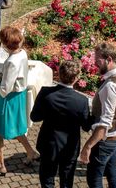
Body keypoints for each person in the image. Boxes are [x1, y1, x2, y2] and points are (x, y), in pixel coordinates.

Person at [30, 60, 90, 188]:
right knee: (67, 180)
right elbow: (86, 126)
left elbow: (34, 117)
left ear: (59, 73)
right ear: (76, 78)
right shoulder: (82, 101)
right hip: (70, 146)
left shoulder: (46, 93)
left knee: (47, 178)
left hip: (48, 143)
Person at [79, 42, 116, 188]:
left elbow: (105, 123)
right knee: (112, 171)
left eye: (98, 60)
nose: (95, 63)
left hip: (106, 141)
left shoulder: (110, 85)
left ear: (109, 59)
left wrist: (88, 146)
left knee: (94, 177)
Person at [0, 26, 39, 175]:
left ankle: (0, 165)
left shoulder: (12, 61)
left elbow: (5, 89)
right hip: (18, 96)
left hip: (8, 99)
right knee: (17, 127)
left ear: (4, 45)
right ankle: (31, 152)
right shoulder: (22, 53)